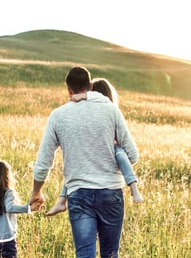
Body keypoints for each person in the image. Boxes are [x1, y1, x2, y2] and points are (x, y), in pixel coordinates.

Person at [30, 66, 140, 258]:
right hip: (111, 193)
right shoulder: (111, 110)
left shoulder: (58, 116)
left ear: (68, 88)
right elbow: (132, 155)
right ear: (90, 87)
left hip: (79, 196)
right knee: (111, 256)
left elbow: (43, 162)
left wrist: (37, 192)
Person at [46, 77, 143, 217]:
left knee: (118, 153)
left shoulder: (108, 112)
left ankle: (133, 187)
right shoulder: (108, 112)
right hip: (107, 187)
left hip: (106, 160)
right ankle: (61, 201)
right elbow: (133, 156)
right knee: (76, 169)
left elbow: (132, 155)